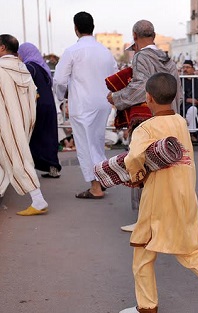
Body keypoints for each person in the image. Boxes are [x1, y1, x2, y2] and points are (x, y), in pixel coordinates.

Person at [119, 73, 198, 313]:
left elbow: (134, 157)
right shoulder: (180, 122)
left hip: (158, 197)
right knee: (187, 250)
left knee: (143, 251)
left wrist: (135, 175)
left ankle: (146, 306)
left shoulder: (145, 128)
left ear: (148, 98)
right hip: (185, 194)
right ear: (175, 96)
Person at [107, 19, 182, 232]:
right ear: (154, 36)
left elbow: (140, 87)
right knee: (166, 166)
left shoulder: (141, 56)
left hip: (148, 120)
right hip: (170, 116)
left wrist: (116, 97)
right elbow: (178, 90)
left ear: (135, 37)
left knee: (143, 166)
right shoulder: (167, 58)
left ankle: (146, 221)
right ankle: (166, 216)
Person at [54, 12, 117, 199]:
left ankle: (96, 187)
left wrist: (62, 95)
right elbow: (115, 76)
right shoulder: (105, 51)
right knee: (97, 143)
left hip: (82, 104)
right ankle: (101, 180)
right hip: (103, 103)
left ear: (76, 28)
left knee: (85, 146)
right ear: (93, 27)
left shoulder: (72, 51)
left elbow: (58, 80)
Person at [0, 34, 49, 216]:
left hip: (6, 123)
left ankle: (38, 199)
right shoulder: (24, 69)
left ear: (2, 48)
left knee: (17, 159)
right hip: (23, 121)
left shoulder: (2, 69)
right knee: (9, 159)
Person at [18, 42, 62, 178]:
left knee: (32, 137)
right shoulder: (42, 67)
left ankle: (27, 171)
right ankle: (52, 167)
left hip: (36, 105)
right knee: (49, 136)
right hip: (48, 105)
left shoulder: (29, 67)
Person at [180, 59, 198, 144]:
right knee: (192, 109)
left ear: (193, 69)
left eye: (187, 67)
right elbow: (177, 96)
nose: (185, 69)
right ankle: (191, 134)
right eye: (184, 67)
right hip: (186, 105)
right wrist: (187, 99)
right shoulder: (180, 81)